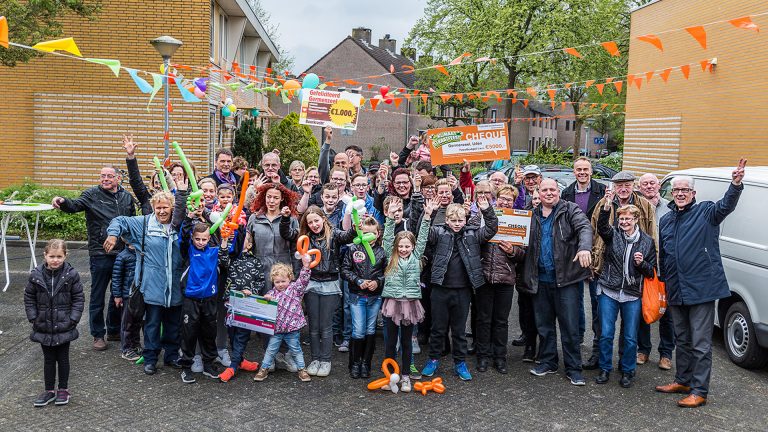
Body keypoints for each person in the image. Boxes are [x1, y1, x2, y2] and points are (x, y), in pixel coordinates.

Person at [655, 159, 746, 408]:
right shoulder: (666, 220)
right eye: (676, 190)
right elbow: (665, 253)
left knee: (701, 344)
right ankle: (683, 380)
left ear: (693, 193)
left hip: (701, 289)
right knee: (682, 339)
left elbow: (725, 206)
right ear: (672, 194)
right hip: (676, 289)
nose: (681, 193)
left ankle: (699, 390)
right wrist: (663, 281)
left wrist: (735, 184)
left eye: (685, 190)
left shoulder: (706, 212)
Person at [51, 165, 136, 351]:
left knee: (119, 293)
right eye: (102, 176)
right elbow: (74, 205)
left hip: (122, 252)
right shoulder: (91, 195)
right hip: (100, 253)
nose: (105, 179)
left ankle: (113, 329)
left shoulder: (126, 197)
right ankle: (98, 334)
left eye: (109, 176)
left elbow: (131, 223)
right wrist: (62, 201)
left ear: (118, 179)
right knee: (98, 295)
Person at [104, 190, 184, 375]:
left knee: (173, 325)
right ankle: (150, 359)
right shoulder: (145, 223)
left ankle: (171, 356)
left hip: (175, 287)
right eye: (158, 208)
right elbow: (120, 221)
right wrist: (113, 235)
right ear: (153, 208)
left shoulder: (179, 224)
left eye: (165, 207)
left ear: (172, 208)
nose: (162, 211)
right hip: (152, 286)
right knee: (152, 326)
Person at [522, 178, 593, 386]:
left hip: (566, 280)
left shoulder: (570, 209)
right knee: (544, 326)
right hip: (540, 279)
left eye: (552, 189)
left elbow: (585, 228)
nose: (549, 193)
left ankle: (574, 368)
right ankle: (548, 361)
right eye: (544, 190)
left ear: (558, 192)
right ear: (539, 193)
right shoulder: (531, 214)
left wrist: (584, 248)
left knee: (570, 326)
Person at [421, 195, 498, 381]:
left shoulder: (472, 233)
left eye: (460, 220)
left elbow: (491, 229)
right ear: (446, 219)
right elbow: (422, 235)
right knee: (438, 329)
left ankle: (460, 362)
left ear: (466, 219)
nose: (457, 224)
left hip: (463, 290)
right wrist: (427, 215)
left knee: (459, 330)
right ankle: (433, 359)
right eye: (453, 220)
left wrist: (487, 210)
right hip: (440, 288)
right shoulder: (438, 232)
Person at [281, 206, 356, 377]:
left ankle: (326, 360)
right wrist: (285, 218)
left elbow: (348, 236)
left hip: (330, 283)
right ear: (306, 224)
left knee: (326, 326)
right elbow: (287, 233)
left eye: (317, 220)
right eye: (310, 222)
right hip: (311, 283)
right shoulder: (304, 237)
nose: (314, 224)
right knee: (313, 325)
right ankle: (315, 359)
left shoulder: (334, 234)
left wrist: (355, 225)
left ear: (323, 218)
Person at [594, 202, 657, 388]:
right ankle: (605, 368)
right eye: (621, 219)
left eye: (628, 218)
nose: (624, 222)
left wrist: (642, 263)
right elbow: (602, 227)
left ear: (636, 219)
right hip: (609, 290)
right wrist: (606, 208)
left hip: (632, 294)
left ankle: (628, 370)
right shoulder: (613, 235)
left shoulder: (647, 241)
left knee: (630, 337)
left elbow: (651, 272)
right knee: (606, 334)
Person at [472, 185, 525, 374]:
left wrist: (513, 251)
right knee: (483, 319)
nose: (505, 202)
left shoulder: (519, 220)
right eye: (502, 198)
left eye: (509, 199)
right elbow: (472, 240)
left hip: (506, 278)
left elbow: (523, 253)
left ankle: (500, 357)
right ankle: (483, 356)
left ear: (514, 201)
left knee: (501, 321)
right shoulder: (482, 216)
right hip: (484, 276)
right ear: (496, 199)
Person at [381, 199, 433, 392]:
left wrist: (427, 216)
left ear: (412, 247)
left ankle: (404, 377)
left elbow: (423, 238)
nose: (403, 249)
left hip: (410, 304)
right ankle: (389, 377)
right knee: (389, 343)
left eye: (407, 246)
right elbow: (387, 238)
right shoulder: (390, 256)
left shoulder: (416, 257)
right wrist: (389, 218)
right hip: (392, 303)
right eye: (400, 246)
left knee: (406, 342)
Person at [25, 240, 84, 407]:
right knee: (48, 359)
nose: (55, 260)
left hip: (64, 326)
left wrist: (72, 319)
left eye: (59, 256)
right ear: (45, 255)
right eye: (52, 256)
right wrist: (33, 318)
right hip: (43, 325)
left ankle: (63, 389)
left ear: (65, 256)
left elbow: (79, 299)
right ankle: (49, 390)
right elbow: (29, 298)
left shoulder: (71, 275)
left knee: (63, 358)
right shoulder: (35, 275)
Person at [561, 157, 607, 370]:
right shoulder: (567, 193)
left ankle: (598, 346)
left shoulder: (603, 190)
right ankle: (578, 336)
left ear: (591, 171)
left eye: (585, 169)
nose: (582, 172)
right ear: (574, 171)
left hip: (597, 252)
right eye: (578, 169)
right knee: (576, 298)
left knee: (597, 300)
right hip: (574, 253)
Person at [177, 213, 232, 384]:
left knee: (209, 333)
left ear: (209, 238)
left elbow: (226, 258)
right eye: (198, 239)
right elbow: (184, 235)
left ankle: (209, 364)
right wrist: (188, 218)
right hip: (191, 300)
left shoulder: (214, 251)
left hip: (209, 299)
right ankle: (186, 367)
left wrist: (225, 238)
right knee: (188, 333)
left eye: (204, 239)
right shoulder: (188, 250)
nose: (201, 242)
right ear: (193, 238)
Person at [637, 173, 675, 370]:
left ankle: (666, 354)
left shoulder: (671, 207)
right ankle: (643, 350)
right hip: (644, 267)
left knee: (666, 312)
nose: (649, 186)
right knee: (644, 310)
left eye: (652, 183)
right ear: (639, 187)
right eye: (645, 184)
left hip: (666, 268)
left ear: (659, 185)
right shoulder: (637, 207)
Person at [254, 258, 313, 382]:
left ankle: (302, 369)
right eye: (277, 282)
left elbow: (303, 280)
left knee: (296, 350)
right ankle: (263, 369)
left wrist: (306, 267)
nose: (280, 284)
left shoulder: (295, 290)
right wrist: (266, 298)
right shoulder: (272, 293)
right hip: (277, 329)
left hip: (292, 329)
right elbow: (265, 304)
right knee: (270, 350)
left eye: (283, 281)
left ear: (290, 278)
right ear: (273, 282)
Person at [341, 217, 386, 379]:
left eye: (372, 234)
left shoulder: (382, 251)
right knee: (358, 330)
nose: (369, 236)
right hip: (357, 296)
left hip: (374, 297)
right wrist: (358, 281)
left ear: (378, 233)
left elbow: (386, 272)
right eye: (365, 233)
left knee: (370, 330)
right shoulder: (353, 249)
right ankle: (354, 363)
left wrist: (377, 282)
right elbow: (345, 270)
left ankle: (366, 363)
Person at [111, 242, 142, 361]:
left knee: (137, 322)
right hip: (126, 295)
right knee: (127, 324)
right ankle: (126, 348)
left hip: (139, 295)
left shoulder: (141, 254)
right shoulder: (122, 256)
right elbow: (116, 278)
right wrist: (117, 295)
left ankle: (135, 344)